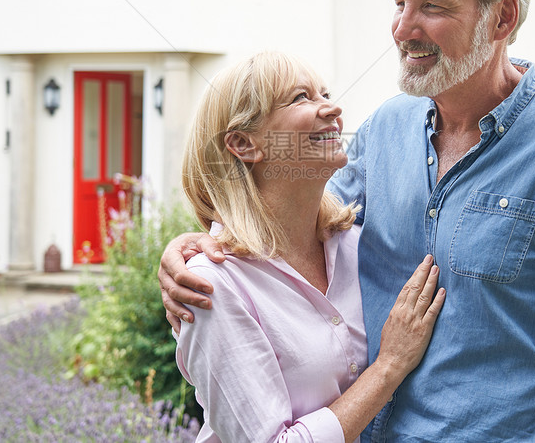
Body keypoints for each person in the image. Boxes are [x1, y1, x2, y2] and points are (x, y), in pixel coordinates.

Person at [161, 0, 535, 442]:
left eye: (432, 6)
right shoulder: (385, 130)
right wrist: (193, 249)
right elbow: (296, 228)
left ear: (501, 18)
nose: (402, 28)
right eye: (399, 3)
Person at [176, 51, 446, 442]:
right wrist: (389, 366)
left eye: (325, 94)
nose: (333, 108)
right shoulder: (211, 285)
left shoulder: (360, 248)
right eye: (302, 97)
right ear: (243, 144)